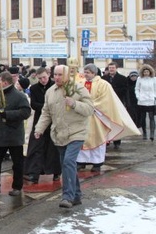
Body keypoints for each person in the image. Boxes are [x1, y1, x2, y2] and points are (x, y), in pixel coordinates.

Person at [34, 65, 94, 208]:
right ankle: (77, 195)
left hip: (76, 132)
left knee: (68, 162)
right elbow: (46, 113)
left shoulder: (78, 88)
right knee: (67, 165)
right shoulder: (50, 92)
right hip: (59, 134)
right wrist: (39, 129)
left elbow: (89, 109)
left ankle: (67, 196)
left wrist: (74, 103)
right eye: (55, 74)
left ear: (67, 75)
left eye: (60, 74)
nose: (57, 77)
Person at [77, 63, 140, 172]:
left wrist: (90, 106)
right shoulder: (80, 83)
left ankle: (97, 162)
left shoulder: (103, 84)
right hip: (83, 117)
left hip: (97, 116)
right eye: (85, 72)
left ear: (93, 73)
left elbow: (105, 100)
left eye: (87, 72)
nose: (85, 74)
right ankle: (82, 161)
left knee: (98, 138)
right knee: (82, 138)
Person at [0, 71, 31, 196]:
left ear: (5, 82)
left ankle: (17, 187)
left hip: (14, 134)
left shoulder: (19, 96)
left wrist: (8, 115)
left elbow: (26, 112)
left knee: (17, 163)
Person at [23, 67, 60, 184]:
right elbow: (33, 104)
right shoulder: (34, 88)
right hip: (39, 119)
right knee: (36, 147)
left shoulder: (55, 85)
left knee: (53, 147)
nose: (43, 80)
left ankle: (56, 172)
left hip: (54, 120)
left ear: (48, 75)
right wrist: (46, 107)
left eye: (44, 77)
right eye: (40, 78)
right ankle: (34, 173)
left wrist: (48, 108)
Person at [101, 62, 128, 149]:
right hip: (106, 103)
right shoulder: (103, 78)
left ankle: (117, 141)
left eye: (113, 68)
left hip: (118, 103)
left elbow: (125, 91)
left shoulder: (122, 78)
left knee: (117, 122)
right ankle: (107, 140)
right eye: (110, 68)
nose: (111, 69)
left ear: (116, 68)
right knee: (107, 122)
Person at [135, 64, 156, 141]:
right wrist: (138, 96)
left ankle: (152, 134)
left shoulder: (154, 79)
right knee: (143, 118)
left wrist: (154, 96)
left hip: (151, 100)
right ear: (142, 72)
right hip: (142, 101)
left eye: (147, 72)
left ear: (150, 72)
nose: (146, 73)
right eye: (144, 72)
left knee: (151, 117)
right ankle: (144, 133)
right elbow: (137, 89)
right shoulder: (139, 79)